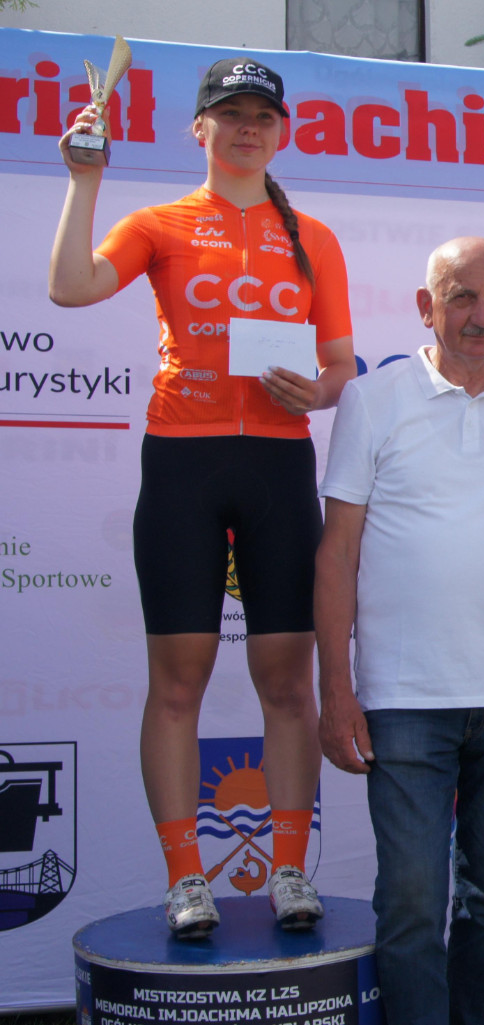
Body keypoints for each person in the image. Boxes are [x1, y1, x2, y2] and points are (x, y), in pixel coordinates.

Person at [48, 58, 355, 937]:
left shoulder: (314, 236)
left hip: (278, 463)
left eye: (262, 115)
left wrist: (319, 389)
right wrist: (85, 180)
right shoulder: (161, 223)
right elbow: (71, 286)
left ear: (281, 131)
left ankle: (290, 868)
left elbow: (340, 364)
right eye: (231, 114)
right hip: (184, 459)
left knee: (286, 679)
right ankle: (187, 877)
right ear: (200, 130)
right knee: (178, 680)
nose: (247, 128)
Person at [315, 237, 484, 1025]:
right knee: (409, 906)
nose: (481, 315)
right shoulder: (372, 397)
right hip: (405, 699)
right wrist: (336, 689)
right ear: (424, 307)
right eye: (461, 297)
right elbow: (337, 553)